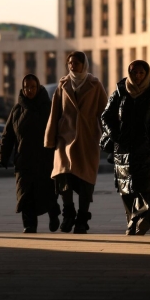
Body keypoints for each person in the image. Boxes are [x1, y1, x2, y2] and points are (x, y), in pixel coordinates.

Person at [101, 60, 150, 235]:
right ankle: (132, 220)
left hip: (146, 149)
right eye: (134, 72)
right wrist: (116, 135)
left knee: (144, 187)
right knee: (126, 189)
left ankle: (143, 218)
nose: (137, 76)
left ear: (146, 74)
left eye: (141, 72)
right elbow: (106, 117)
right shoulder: (119, 94)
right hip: (123, 149)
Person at [44, 51, 108, 234]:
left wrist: (109, 138)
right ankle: (68, 213)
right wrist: (50, 138)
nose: (72, 66)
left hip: (87, 140)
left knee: (86, 181)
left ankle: (82, 218)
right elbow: (55, 112)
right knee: (63, 176)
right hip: (65, 139)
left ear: (83, 64)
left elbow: (104, 113)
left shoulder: (95, 85)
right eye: (70, 63)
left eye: (76, 63)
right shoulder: (63, 85)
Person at [0, 74, 61, 233]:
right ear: (22, 88)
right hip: (24, 160)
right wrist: (3, 156)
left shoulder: (48, 107)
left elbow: (59, 130)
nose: (29, 90)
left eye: (33, 87)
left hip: (45, 160)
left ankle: (54, 215)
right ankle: (29, 225)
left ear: (38, 87)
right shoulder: (17, 109)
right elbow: (8, 135)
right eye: (26, 87)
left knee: (47, 193)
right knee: (25, 194)